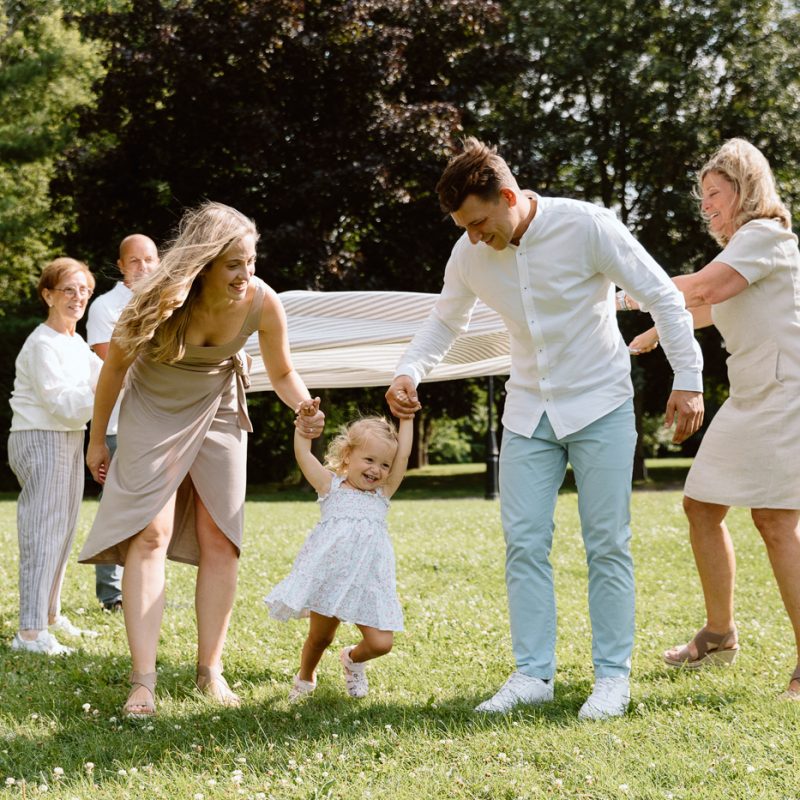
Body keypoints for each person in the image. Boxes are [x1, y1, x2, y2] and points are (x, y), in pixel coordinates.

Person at [386, 138, 705, 720]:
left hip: (600, 403)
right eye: (465, 227)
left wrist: (688, 376)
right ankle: (533, 673)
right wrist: (411, 369)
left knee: (607, 543)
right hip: (529, 409)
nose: (474, 237)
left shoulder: (587, 227)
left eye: (480, 222)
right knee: (524, 544)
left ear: (508, 196)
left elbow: (664, 296)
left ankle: (612, 678)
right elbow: (444, 320)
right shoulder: (469, 252)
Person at [78, 201, 324, 717]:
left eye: (251, 261)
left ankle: (210, 669)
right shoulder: (157, 300)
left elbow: (281, 372)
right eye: (234, 263)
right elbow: (114, 371)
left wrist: (302, 404)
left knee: (222, 538)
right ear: (206, 262)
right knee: (150, 533)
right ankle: (143, 680)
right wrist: (98, 440)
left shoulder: (262, 300)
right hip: (154, 405)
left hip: (219, 406)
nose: (245, 273)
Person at [624, 139, 800, 700]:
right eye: (703, 199)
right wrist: (655, 331)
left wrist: (627, 294)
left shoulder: (765, 235)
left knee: (777, 524)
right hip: (751, 397)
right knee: (702, 505)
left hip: (785, 397)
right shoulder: (745, 251)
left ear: (745, 190)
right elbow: (706, 306)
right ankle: (721, 634)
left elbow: (702, 288)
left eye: (715, 195)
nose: (707, 208)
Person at [265, 404, 412, 702]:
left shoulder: (382, 495)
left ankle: (353, 659)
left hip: (368, 583)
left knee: (382, 642)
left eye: (384, 465)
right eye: (369, 460)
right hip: (331, 578)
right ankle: (305, 677)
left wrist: (406, 418)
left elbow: (405, 455)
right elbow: (304, 455)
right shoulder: (330, 487)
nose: (376, 470)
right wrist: (303, 426)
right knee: (320, 638)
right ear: (348, 456)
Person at [8, 258, 102, 655]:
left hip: (67, 438)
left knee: (62, 533)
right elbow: (65, 405)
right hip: (39, 437)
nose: (78, 297)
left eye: (84, 290)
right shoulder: (42, 343)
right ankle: (28, 633)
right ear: (48, 295)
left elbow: (109, 375)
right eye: (68, 289)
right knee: (42, 534)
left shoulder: (75, 342)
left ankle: (49, 616)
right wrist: (106, 386)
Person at [86, 234, 159, 611]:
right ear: (121, 266)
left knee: (154, 514)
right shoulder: (105, 306)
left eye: (149, 259)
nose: (143, 267)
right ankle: (111, 595)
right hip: (119, 422)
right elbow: (114, 363)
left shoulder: (170, 301)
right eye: (134, 261)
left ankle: (143, 587)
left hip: (163, 423)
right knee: (115, 506)